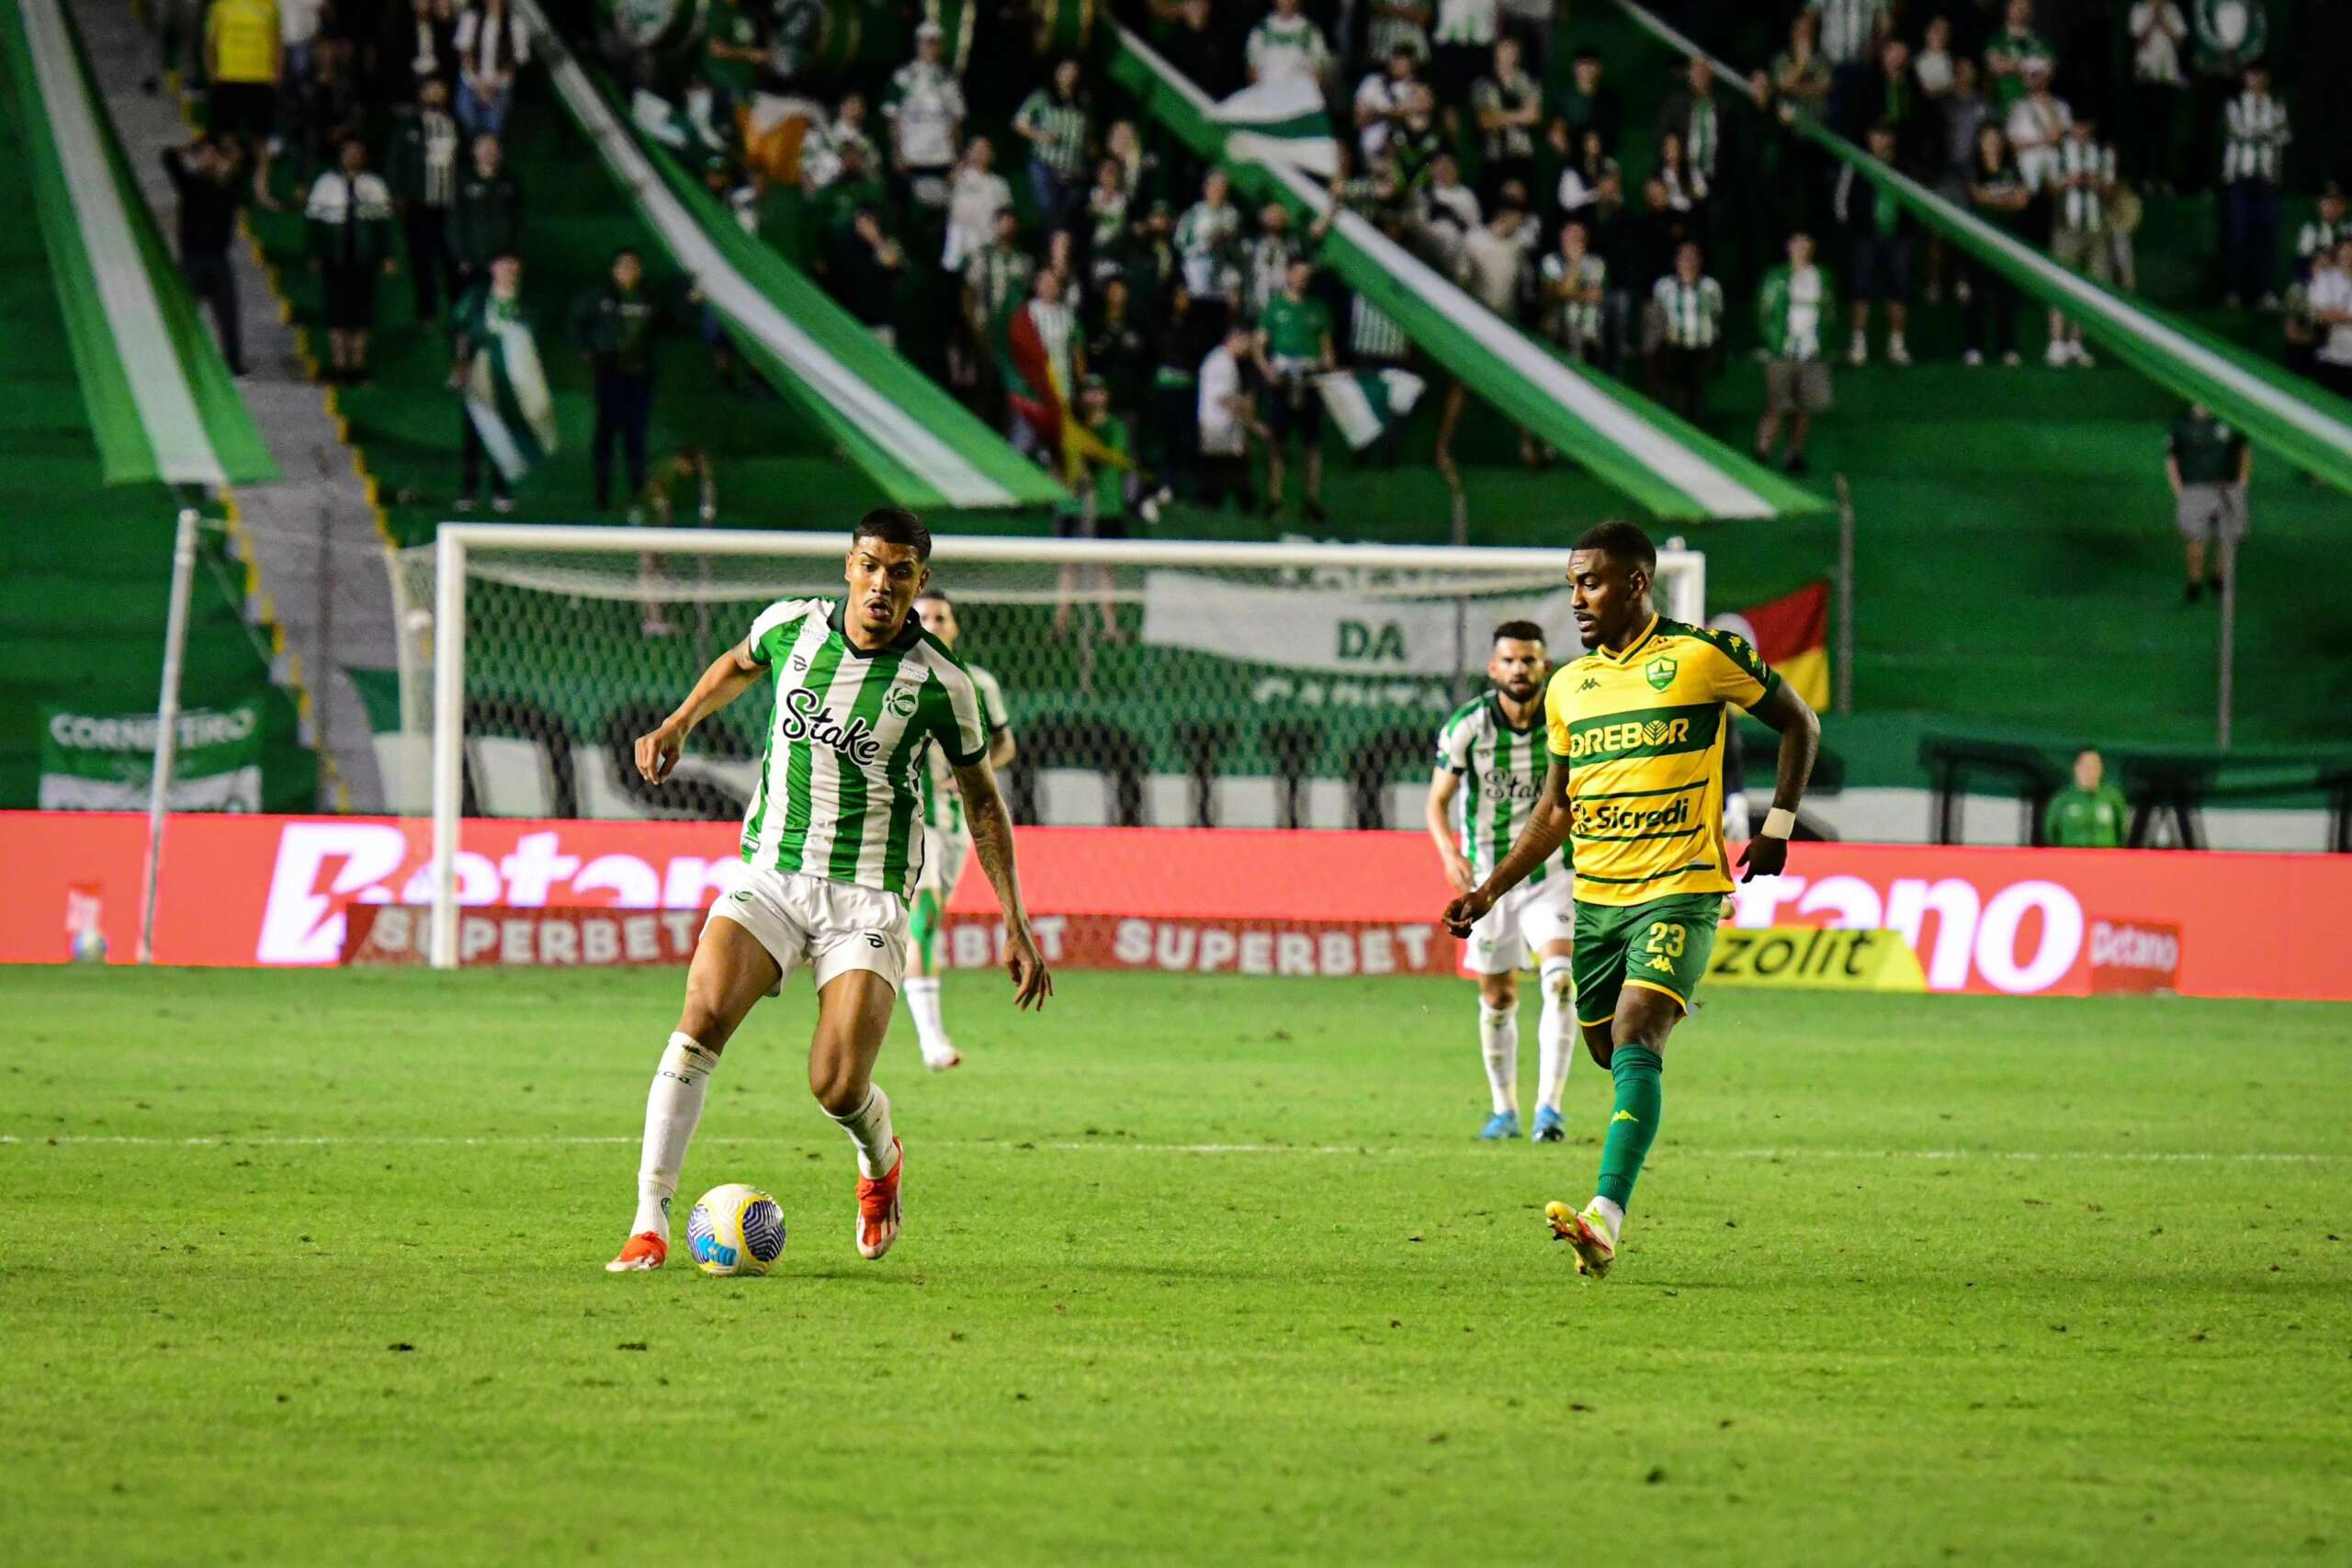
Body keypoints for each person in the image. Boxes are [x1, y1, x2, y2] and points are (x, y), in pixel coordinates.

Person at [605, 509, 1053, 1272]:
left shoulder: (942, 681)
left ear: (920, 581)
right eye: (871, 565)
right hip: (771, 874)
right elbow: (738, 663)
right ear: (850, 565)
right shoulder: (791, 627)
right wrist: (680, 720)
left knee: (837, 1083)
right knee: (700, 1019)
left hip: (869, 896)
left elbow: (983, 801)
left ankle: (880, 1165)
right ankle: (649, 1220)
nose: (883, 584)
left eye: (900, 571)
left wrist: (1015, 920)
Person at [1443, 519, 1819, 1280]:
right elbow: (1556, 809)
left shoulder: (1700, 656)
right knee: (1612, 1051)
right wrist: (1488, 890)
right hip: (1599, 902)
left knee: (1638, 1031)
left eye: (1591, 582)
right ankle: (1611, 1184)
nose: (1576, 598)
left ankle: (1604, 1218)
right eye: (1573, 583)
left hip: (1681, 889)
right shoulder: (1569, 688)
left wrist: (1778, 824)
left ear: (1636, 583)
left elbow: (1798, 721)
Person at [1425, 623, 1576, 1143]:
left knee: (1559, 981)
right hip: (1488, 879)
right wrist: (1450, 854)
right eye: (1509, 661)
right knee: (1499, 996)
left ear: (1544, 667)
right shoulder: (1468, 726)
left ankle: (1549, 1110)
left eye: (1529, 661)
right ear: (1494, 669)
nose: (1519, 669)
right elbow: (1437, 801)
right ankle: (1504, 1110)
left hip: (1552, 875)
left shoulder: (1564, 724)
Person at [900, 588, 1018, 1072]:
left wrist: (977, 771)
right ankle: (931, 1040)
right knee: (923, 919)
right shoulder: (893, 675)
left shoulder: (977, 683)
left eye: (941, 617)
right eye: (922, 616)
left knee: (922, 924)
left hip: (955, 823)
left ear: (954, 627)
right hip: (909, 816)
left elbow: (1005, 744)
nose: (932, 623)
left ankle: (899, 1001)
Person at [304, 135, 398, 385]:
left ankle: (357, 366)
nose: (353, 156)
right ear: (341, 154)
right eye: (349, 151)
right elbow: (314, 221)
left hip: (364, 259)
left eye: (358, 151)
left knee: (362, 313)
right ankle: (339, 365)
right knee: (336, 312)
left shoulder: (374, 185)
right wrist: (314, 253)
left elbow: (383, 224)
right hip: (334, 259)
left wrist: (387, 255)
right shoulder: (326, 183)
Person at [162, 135, 251, 377]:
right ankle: (179, 360)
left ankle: (233, 362)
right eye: (204, 154)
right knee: (184, 314)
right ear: (197, 158)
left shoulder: (227, 187)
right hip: (192, 259)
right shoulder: (189, 184)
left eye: (214, 154)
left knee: (228, 313)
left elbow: (247, 164)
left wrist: (229, 151)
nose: (209, 158)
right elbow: (168, 157)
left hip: (218, 259)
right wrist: (189, 147)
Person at [1253, 260, 1336, 521]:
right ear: (1288, 275)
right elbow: (1259, 345)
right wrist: (1268, 371)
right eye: (1298, 274)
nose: (1302, 280)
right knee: (1278, 440)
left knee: (1312, 443)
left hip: (1309, 380)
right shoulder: (1275, 306)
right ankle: (1274, 498)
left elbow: (1327, 351)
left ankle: (1312, 500)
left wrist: (1325, 365)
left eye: (1306, 275)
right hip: (1283, 380)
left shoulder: (1317, 309)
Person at [1055, 377, 1135, 637]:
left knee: (1104, 567)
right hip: (1072, 506)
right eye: (1088, 393)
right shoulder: (1070, 426)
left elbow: (1107, 456)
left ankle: (1110, 628)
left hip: (1106, 507)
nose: (1093, 398)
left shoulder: (1115, 428)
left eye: (1098, 392)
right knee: (1069, 567)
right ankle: (1060, 625)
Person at [1755, 231, 1835, 474]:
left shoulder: (1821, 277)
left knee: (1804, 405)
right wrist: (1774, 342)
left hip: (1811, 349)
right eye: (1797, 243)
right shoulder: (1777, 276)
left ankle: (1794, 454)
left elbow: (1829, 311)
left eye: (1806, 243)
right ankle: (1761, 451)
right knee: (1777, 404)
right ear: (1789, 247)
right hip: (1784, 350)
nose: (1801, 248)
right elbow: (1764, 312)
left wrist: (1822, 340)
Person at [386, 76, 462, 322]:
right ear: (421, 94)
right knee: (421, 259)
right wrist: (398, 193)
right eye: (431, 90)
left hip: (449, 205)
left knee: (452, 257)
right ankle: (426, 311)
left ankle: (457, 308)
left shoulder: (456, 124)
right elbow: (395, 159)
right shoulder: (409, 126)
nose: (435, 95)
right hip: (418, 204)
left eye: (440, 90)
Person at [2046, 116, 2116, 365]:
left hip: (2096, 227)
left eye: (2085, 125)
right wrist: (2070, 181)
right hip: (2067, 226)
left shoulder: (2103, 153)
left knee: (2090, 288)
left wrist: (2096, 183)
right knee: (2061, 284)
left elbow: (2110, 193)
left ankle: (2076, 343)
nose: (2081, 130)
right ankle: (2056, 342)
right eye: (2077, 124)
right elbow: (2050, 188)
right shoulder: (2059, 151)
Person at [2218, 64, 2290, 308]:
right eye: (2251, 74)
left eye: (2260, 74)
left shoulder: (2276, 106)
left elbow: (2283, 135)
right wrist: (2264, 134)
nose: (2256, 79)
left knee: (2265, 236)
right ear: (2245, 78)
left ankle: (2264, 292)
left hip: (2267, 178)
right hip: (2240, 178)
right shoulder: (2234, 106)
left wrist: (2258, 134)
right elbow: (2235, 133)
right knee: (2238, 235)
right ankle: (2235, 291)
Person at [2165, 400, 2250, 601]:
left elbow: (2244, 450)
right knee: (2196, 540)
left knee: (2228, 538)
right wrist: (2179, 490)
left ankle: (2218, 577)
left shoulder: (2230, 420)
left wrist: (2242, 481)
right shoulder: (2180, 426)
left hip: (2228, 488)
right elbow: (2171, 459)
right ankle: (2194, 582)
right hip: (2195, 489)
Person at [1963, 125, 2030, 365]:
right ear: (1980, 142)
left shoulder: (2013, 169)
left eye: (1996, 138)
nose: (1992, 143)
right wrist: (2005, 198)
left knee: (2007, 297)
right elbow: (1977, 196)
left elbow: (2023, 200)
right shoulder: (1974, 169)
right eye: (1987, 139)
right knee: (1977, 297)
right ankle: (1974, 347)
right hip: (1980, 244)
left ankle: (2008, 348)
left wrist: (1993, 199)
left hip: (2009, 243)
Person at [884, 21, 965, 216]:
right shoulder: (902, 77)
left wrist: (957, 157)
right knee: (906, 214)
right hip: (912, 157)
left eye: (936, 43)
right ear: (918, 45)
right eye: (927, 42)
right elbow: (893, 118)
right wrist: (897, 153)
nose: (931, 47)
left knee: (943, 214)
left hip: (942, 158)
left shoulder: (949, 79)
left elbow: (956, 120)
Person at [1013, 59, 1091, 236]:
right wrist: (1040, 135)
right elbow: (1019, 122)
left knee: (1067, 217)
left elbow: (1087, 131)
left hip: (1073, 166)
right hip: (1046, 162)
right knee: (1049, 210)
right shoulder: (1043, 97)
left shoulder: (1082, 100)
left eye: (1073, 71)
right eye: (1065, 70)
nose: (1069, 75)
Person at [1651, 241, 1724, 426]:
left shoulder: (1711, 286)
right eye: (1684, 257)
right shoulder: (1664, 286)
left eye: (1693, 257)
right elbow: (1657, 316)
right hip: (1673, 347)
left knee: (1696, 396)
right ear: (1676, 261)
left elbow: (1716, 314)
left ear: (1700, 261)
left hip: (1702, 349)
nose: (1689, 262)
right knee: (1673, 395)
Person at [448, 133, 523, 298]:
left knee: (500, 308)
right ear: (474, 151)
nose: (489, 152)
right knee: (467, 306)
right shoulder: (462, 181)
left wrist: (514, 254)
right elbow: (455, 222)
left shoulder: (509, 182)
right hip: (471, 259)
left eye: (493, 147)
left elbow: (518, 220)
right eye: (484, 147)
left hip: (501, 261)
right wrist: (461, 256)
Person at [1469, 35, 1542, 203]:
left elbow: (1534, 117)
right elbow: (1484, 121)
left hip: (1522, 154)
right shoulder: (1482, 84)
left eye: (1512, 50)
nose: (1508, 55)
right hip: (1493, 155)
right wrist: (1519, 115)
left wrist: (1499, 116)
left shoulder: (1529, 82)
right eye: (1504, 50)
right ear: (1496, 52)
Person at [1195, 321, 1259, 511]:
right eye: (1247, 342)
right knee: (1230, 468)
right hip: (1218, 426)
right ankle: (1244, 507)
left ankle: (1216, 505)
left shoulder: (1224, 360)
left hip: (1221, 426)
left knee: (1222, 469)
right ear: (1236, 338)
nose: (1249, 347)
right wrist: (1253, 424)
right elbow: (1224, 399)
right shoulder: (1221, 362)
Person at [2126, 1, 2188, 190]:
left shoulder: (2173, 9)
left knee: (2165, 132)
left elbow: (2180, 40)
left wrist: (2163, 16)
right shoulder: (2139, 9)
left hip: (2168, 79)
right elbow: (2138, 39)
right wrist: (2152, 14)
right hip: (2146, 78)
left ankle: (2165, 178)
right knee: (2145, 131)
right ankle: (2144, 178)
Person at [452, 0, 527, 139]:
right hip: (471, 82)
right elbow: (465, 54)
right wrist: (478, 84)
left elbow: (516, 62)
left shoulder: (515, 24)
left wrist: (493, 85)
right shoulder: (471, 19)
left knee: (495, 123)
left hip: (499, 84)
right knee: (466, 115)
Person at [1540, 219, 1606, 364]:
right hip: (1559, 328)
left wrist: (1571, 294)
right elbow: (1558, 294)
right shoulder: (1550, 261)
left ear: (1585, 239)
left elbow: (1595, 296)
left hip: (1588, 333)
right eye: (1568, 234)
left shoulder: (1596, 263)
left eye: (1576, 235)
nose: (1571, 239)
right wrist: (1574, 264)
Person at [2044, 750, 2130, 846]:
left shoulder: (2113, 798)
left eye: (2094, 766)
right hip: (2071, 858)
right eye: (2085, 766)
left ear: (2101, 769)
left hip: (2105, 858)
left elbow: (2122, 831)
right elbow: (2051, 834)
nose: (2090, 771)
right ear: (2076, 768)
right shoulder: (2061, 800)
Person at [1983, 0, 2052, 113]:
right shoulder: (1996, 39)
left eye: (2025, 5)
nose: (2021, 9)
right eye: (2016, 5)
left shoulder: (2042, 41)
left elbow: (2049, 70)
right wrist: (2032, 65)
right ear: (2008, 8)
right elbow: (1995, 67)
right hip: (2004, 106)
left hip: (2035, 108)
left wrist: (2010, 64)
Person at [1245, 0, 1329, 86]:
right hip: (1267, 93)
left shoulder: (1311, 32)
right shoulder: (1260, 30)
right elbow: (1252, 70)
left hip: (1300, 94)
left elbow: (1318, 72)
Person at [2311, 239, 2352, 402]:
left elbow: (2329, 314)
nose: (2348, 259)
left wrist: (2335, 316)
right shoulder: (2326, 279)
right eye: (2345, 254)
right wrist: (2346, 317)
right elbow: (2321, 315)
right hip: (2329, 356)